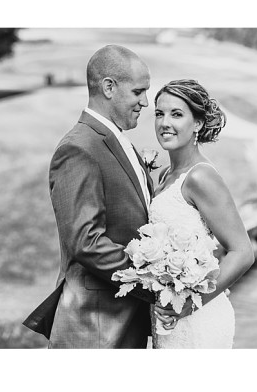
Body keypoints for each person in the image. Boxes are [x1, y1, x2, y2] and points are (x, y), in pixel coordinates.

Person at [22, 45, 156, 348]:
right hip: (95, 325)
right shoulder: (79, 148)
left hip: (124, 319)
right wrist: (155, 282)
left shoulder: (118, 141)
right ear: (109, 87)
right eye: (138, 92)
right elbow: (86, 241)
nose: (145, 102)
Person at [148, 79, 255, 348]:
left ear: (197, 123)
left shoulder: (201, 177)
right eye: (159, 114)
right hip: (169, 315)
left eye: (176, 114)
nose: (164, 123)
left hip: (198, 319)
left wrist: (189, 304)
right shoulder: (165, 175)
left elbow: (242, 252)